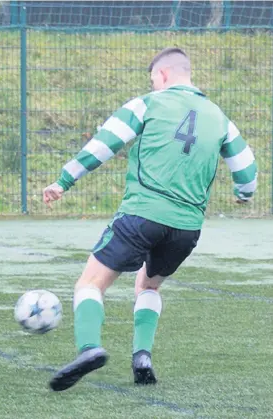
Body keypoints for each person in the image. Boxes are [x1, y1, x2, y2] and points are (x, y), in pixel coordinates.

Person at [43, 47, 257, 392]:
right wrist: (243, 195)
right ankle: (142, 356)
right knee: (148, 285)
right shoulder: (220, 118)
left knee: (90, 283)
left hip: (142, 214)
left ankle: (89, 348)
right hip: (187, 228)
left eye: (152, 80)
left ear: (163, 76)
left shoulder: (147, 103)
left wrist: (64, 180)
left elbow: (105, 143)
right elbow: (247, 172)